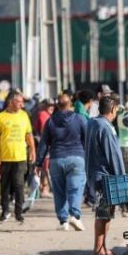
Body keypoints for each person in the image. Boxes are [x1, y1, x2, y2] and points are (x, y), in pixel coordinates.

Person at [37, 92, 88, 231]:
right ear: (70, 104)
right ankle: (75, 216)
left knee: (59, 191)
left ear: (57, 106)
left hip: (56, 159)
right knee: (75, 188)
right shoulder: (80, 119)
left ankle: (63, 222)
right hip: (77, 158)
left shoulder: (50, 121)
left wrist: (38, 163)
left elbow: (43, 144)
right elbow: (87, 140)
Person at [86, 95, 124, 255]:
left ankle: (101, 246)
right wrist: (121, 177)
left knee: (104, 214)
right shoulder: (106, 127)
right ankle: (99, 248)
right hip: (104, 177)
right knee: (104, 215)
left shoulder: (93, 123)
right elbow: (113, 155)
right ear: (113, 109)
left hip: (94, 173)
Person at [0, 91, 36, 222]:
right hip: (5, 158)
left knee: (19, 185)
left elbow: (29, 134)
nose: (22, 105)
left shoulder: (24, 116)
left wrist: (33, 150)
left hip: (20, 157)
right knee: (5, 186)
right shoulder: (0, 117)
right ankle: (5, 211)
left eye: (23, 102)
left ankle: (18, 212)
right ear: (11, 102)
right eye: (19, 102)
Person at [33, 98, 56, 198]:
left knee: (46, 167)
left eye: (52, 105)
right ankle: (44, 189)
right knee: (45, 168)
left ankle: (44, 188)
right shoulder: (43, 114)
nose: (51, 107)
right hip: (45, 143)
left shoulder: (49, 115)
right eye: (49, 105)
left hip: (47, 143)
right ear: (45, 105)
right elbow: (43, 131)